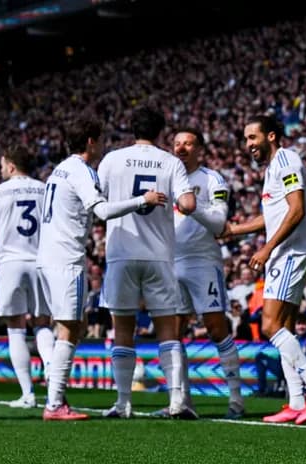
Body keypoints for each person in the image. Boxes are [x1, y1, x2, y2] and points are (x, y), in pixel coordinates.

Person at [37, 119, 168, 421]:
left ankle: (55, 391)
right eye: (101, 140)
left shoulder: (58, 170)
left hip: (46, 255)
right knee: (71, 327)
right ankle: (55, 404)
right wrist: (141, 200)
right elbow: (102, 210)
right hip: (67, 258)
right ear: (91, 142)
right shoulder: (81, 172)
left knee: (65, 325)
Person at [222, 115, 306, 424]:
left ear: (271, 136)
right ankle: (297, 402)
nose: (248, 145)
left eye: (252, 138)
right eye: (246, 139)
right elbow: (272, 217)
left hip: (289, 254)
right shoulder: (273, 168)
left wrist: (267, 248)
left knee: (270, 326)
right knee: (282, 327)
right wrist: (235, 230)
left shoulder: (286, 159)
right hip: (285, 254)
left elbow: (297, 210)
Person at [96, 109, 196, 420]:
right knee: (168, 328)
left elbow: (97, 201)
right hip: (159, 255)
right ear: (160, 131)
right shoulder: (171, 162)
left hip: (121, 252)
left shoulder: (112, 159)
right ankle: (177, 401)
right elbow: (188, 205)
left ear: (131, 128)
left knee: (123, 328)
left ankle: (123, 402)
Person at [171, 127, 244, 419]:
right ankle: (182, 402)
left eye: (188, 143)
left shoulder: (212, 179)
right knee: (172, 333)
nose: (181, 148)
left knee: (216, 328)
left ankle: (236, 401)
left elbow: (218, 224)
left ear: (199, 149)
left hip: (202, 261)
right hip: (169, 262)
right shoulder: (165, 179)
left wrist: (192, 208)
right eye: (177, 143)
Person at [0, 145, 55, 409]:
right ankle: (52, 378)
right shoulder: (45, 189)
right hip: (41, 262)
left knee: (16, 329)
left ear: (11, 166)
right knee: (43, 323)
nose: (0, 170)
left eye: (2, 165)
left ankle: (28, 394)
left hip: (10, 262)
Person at [254, 313, 306, 397]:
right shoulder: (291, 337)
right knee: (260, 357)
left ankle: (279, 390)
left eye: (304, 324)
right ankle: (262, 390)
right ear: (294, 325)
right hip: (286, 368)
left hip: (301, 371)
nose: (301, 327)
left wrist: (300, 371)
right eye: (299, 324)